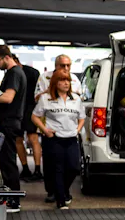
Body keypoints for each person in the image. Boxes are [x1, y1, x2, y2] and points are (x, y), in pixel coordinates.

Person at [31, 70, 85, 210]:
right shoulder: (46, 98)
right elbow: (35, 116)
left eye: (68, 80)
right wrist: (45, 130)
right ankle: (60, 200)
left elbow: (82, 117)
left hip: (71, 138)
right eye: (62, 80)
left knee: (74, 168)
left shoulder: (76, 99)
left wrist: (77, 130)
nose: (66, 83)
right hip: (54, 139)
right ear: (55, 83)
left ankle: (63, 190)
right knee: (58, 169)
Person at [0, 45, 27, 212]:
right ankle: (11, 197)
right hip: (11, 121)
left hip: (9, 122)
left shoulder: (14, 73)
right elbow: (3, 93)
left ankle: (14, 200)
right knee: (6, 160)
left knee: (8, 161)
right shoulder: (14, 73)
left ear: (6, 57)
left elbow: (7, 98)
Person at [12, 55, 43, 182]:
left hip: (26, 109)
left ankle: (32, 169)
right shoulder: (32, 72)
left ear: (15, 61)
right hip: (27, 109)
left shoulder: (17, 73)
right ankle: (32, 169)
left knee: (28, 138)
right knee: (25, 139)